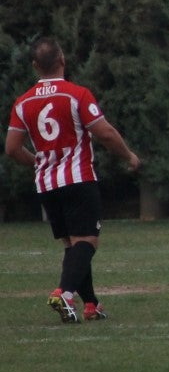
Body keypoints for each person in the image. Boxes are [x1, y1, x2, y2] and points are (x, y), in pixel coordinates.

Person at [5, 36, 142, 323]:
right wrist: (129, 155)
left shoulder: (23, 102)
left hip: (47, 185)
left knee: (73, 245)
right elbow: (104, 133)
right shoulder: (76, 94)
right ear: (63, 60)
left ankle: (90, 304)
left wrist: (38, 162)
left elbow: (12, 149)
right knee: (88, 242)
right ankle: (64, 293)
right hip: (78, 180)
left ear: (34, 66)